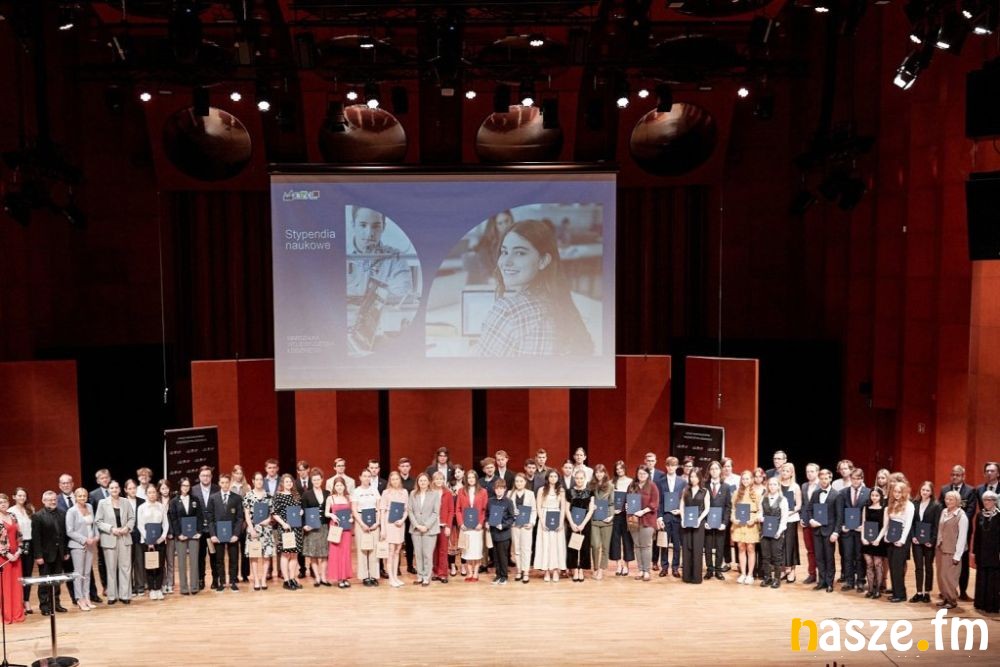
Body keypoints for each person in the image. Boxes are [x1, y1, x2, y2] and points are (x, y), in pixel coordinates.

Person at [477, 219, 593, 357]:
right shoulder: (560, 302)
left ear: (543, 261)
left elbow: (479, 367)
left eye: (520, 253)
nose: (506, 262)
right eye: (504, 252)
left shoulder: (508, 310)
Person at [938, 464, 977, 601]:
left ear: (963, 476)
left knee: (962, 563)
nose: (955, 477)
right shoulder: (944, 489)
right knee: (946, 566)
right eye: (953, 474)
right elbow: (941, 509)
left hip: (962, 532)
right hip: (947, 533)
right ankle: (948, 591)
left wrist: (957, 522)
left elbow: (971, 510)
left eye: (958, 475)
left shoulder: (970, 491)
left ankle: (963, 591)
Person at [95, 481, 134, 605]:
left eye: (116, 487)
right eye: (112, 488)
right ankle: (112, 596)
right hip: (109, 538)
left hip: (124, 537)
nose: (114, 489)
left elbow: (132, 518)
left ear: (120, 489)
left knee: (125, 568)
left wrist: (127, 528)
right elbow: (98, 521)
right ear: (108, 490)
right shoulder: (102, 503)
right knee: (111, 568)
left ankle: (125, 595)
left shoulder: (125, 502)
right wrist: (111, 529)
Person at [803, 468, 840, 593]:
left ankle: (829, 583)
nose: (824, 481)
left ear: (830, 478)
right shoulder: (816, 493)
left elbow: (839, 516)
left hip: (829, 531)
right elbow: (809, 509)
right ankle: (821, 581)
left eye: (826, 478)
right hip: (817, 531)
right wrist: (811, 520)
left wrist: (836, 532)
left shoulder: (836, 494)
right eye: (822, 478)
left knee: (829, 558)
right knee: (819, 557)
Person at [208, 473, 245, 592]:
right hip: (218, 535)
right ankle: (222, 582)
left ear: (230, 483)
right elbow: (210, 518)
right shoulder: (213, 498)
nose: (224, 485)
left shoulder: (237, 498)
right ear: (219, 483)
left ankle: (233, 581)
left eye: (227, 482)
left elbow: (240, 518)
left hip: (232, 534)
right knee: (219, 559)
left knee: (234, 558)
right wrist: (213, 534)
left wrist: (236, 534)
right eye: (222, 482)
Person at [167, 476, 202, 596]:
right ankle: (184, 588)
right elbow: (173, 519)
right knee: (181, 562)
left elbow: (199, 516)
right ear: (180, 486)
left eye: (187, 485)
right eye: (183, 485)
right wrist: (178, 534)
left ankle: (194, 586)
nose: (185, 487)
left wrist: (199, 532)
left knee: (194, 561)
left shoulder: (195, 500)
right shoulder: (174, 501)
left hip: (194, 535)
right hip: (180, 536)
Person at [64, 487, 97, 611]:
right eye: (80, 496)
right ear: (75, 497)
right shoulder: (71, 511)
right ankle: (79, 598)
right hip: (78, 545)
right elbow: (69, 531)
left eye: (84, 495)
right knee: (79, 573)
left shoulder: (90, 507)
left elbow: (94, 525)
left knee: (87, 573)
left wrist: (96, 536)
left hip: (91, 545)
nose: (82, 498)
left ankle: (87, 597)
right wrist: (84, 540)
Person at [936, 489, 969, 610]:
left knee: (950, 577)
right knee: (941, 576)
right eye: (947, 499)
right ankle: (945, 597)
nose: (948, 501)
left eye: (951, 499)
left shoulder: (962, 516)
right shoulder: (944, 512)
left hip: (952, 551)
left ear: (957, 501)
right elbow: (940, 529)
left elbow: (962, 537)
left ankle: (952, 600)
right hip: (941, 549)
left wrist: (957, 555)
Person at [835, 466, 868, 591]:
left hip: (860, 530)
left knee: (859, 556)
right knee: (847, 556)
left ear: (862, 479)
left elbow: (869, 513)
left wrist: (864, 526)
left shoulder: (868, 492)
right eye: (853, 478)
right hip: (847, 530)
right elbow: (840, 512)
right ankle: (849, 581)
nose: (855, 481)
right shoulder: (843, 492)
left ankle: (860, 581)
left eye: (858, 478)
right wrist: (842, 525)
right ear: (850, 479)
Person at [405, 472, 440, 587]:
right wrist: (416, 525)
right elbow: (410, 511)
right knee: (418, 554)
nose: (423, 482)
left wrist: (426, 526)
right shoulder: (413, 493)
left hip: (429, 530)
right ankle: (420, 576)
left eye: (425, 480)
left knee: (427, 555)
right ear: (418, 482)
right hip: (416, 529)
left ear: (429, 482)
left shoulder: (435, 494)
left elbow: (435, 512)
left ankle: (426, 577)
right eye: (420, 480)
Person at [242, 472, 274, 591]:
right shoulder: (248, 496)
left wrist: (268, 520)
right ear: (253, 481)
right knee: (254, 555)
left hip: (266, 530)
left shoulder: (268, 496)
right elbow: (246, 514)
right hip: (253, 529)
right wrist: (251, 528)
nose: (259, 481)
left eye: (261, 479)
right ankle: (256, 579)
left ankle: (263, 579)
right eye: (257, 479)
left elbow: (272, 513)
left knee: (266, 555)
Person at [909, 480, 941, 603]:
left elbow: (936, 525)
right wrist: (913, 536)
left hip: (928, 542)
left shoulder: (936, 505)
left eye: (927, 490)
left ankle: (927, 592)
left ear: (931, 492)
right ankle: (919, 592)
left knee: (928, 566)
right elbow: (911, 523)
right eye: (923, 489)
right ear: (920, 490)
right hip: (916, 540)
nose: (925, 492)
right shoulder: (914, 503)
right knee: (918, 567)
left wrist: (932, 540)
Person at [628, 465, 660, 582]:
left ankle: (647, 571)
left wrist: (642, 512)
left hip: (648, 519)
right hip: (633, 520)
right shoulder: (632, 485)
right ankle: (640, 570)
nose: (641, 476)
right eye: (640, 473)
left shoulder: (652, 486)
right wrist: (627, 506)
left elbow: (655, 503)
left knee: (646, 546)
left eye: (644, 474)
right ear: (637, 474)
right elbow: (628, 500)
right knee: (637, 546)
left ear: (648, 475)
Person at [137, 485, 169, 601]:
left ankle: (158, 588)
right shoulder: (141, 507)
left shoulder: (161, 506)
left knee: (160, 564)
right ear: (146, 494)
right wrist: (148, 539)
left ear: (157, 493)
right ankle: (151, 589)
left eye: (154, 492)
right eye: (149, 492)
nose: (152, 494)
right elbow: (140, 525)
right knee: (150, 565)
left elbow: (165, 523)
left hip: (160, 540)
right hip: (146, 541)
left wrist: (163, 536)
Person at [534, 469, 566, 582]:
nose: (553, 478)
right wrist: (542, 521)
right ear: (547, 478)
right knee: (545, 544)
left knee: (556, 545)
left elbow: (563, 508)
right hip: (544, 516)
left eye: (555, 476)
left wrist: (561, 522)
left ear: (558, 478)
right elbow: (538, 506)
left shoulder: (561, 490)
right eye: (551, 476)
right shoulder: (541, 490)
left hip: (556, 516)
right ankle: (547, 570)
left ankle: (556, 570)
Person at [271, 474, 303, 591]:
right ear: (282, 483)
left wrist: (301, 512)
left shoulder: (296, 495)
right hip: (285, 529)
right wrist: (283, 523)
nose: (289, 483)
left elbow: (299, 509)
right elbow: (274, 513)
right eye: (287, 482)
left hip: (296, 528)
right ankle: (286, 580)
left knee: (294, 554)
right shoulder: (278, 496)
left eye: (290, 482)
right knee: (285, 554)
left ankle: (292, 578)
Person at [885, 480, 915, 603]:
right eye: (895, 491)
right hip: (891, 536)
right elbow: (889, 523)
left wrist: (902, 540)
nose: (896, 494)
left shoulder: (909, 505)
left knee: (898, 566)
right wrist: (887, 536)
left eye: (899, 492)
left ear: (904, 492)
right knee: (892, 565)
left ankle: (901, 594)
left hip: (902, 538)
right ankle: (895, 591)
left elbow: (908, 525)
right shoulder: (892, 503)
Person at [300, 468, 331, 587]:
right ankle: (317, 577)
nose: (317, 481)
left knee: (324, 554)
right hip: (311, 528)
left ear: (322, 480)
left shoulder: (327, 493)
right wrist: (304, 525)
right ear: (311, 481)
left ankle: (323, 577)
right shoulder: (306, 494)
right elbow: (303, 511)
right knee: (313, 554)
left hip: (324, 526)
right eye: (314, 480)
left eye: (318, 479)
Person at [456, 469, 488, 582]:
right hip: (465, 526)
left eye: (473, 477)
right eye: (469, 477)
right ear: (466, 479)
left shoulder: (483, 491)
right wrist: (461, 523)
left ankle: (476, 573)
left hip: (477, 527)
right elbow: (458, 509)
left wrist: (481, 523)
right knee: (467, 551)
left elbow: (484, 510)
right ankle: (469, 572)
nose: (471, 479)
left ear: (476, 478)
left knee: (477, 550)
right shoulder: (461, 491)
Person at [656, 456, 685, 577]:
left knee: (677, 544)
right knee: (664, 543)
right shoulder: (660, 482)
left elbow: (684, 500)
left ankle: (675, 568)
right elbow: (659, 501)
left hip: (677, 517)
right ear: (666, 466)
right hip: (665, 516)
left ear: (677, 466)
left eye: (673, 465)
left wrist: (681, 511)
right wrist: (659, 517)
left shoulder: (682, 482)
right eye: (668, 465)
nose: (671, 467)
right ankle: (664, 567)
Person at [351, 469, 381, 587]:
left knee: (373, 549)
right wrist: (362, 524)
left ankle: (373, 575)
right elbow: (354, 509)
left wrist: (377, 522)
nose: (367, 478)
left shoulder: (374, 490)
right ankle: (364, 576)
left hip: (374, 522)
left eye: (369, 476)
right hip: (361, 522)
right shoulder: (356, 491)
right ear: (360, 477)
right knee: (362, 549)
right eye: (364, 476)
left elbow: (379, 507)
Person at [730, 471, 761, 585]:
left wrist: (755, 519)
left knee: (751, 548)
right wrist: (733, 518)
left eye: (747, 479)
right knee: (741, 547)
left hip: (751, 523)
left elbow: (760, 510)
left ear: (752, 480)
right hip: (739, 523)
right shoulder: (736, 493)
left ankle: (750, 574)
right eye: (743, 479)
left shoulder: (757, 493)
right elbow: (733, 509)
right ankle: (743, 573)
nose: (745, 481)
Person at [680, 468, 709, 584]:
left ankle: (696, 577)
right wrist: (683, 519)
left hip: (698, 523)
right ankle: (687, 576)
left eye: (695, 476)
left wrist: (699, 519)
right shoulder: (686, 490)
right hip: (687, 522)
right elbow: (682, 505)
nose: (693, 479)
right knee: (687, 548)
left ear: (699, 478)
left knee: (697, 549)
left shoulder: (704, 491)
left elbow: (707, 508)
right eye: (691, 476)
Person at [469, 209, 515, 284]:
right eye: (500, 223)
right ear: (494, 226)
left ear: (511, 220)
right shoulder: (485, 246)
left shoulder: (518, 240)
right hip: (494, 284)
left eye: (507, 221)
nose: (505, 226)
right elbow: (486, 274)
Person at [759, 477, 789, 588]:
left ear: (778, 486)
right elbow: (760, 512)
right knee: (765, 556)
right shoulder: (763, 498)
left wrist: (779, 531)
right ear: (767, 486)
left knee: (777, 556)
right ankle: (767, 577)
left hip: (777, 532)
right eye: (770, 484)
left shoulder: (783, 500)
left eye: (774, 484)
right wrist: (760, 517)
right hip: (765, 532)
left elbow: (784, 518)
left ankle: (777, 579)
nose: (772, 486)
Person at [380, 471, 409, 588]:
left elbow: (406, 509)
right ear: (390, 481)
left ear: (399, 480)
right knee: (390, 550)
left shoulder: (404, 492)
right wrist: (383, 528)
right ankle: (391, 577)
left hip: (400, 524)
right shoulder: (386, 493)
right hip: (389, 523)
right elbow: (382, 511)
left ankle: (396, 576)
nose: (395, 481)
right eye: (393, 479)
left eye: (397, 479)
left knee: (398, 550)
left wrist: (402, 520)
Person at [704, 460, 731, 581]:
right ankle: (709, 570)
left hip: (721, 523)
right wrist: (704, 521)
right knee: (708, 547)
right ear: (709, 471)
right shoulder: (704, 486)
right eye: (712, 469)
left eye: (716, 469)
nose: (714, 471)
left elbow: (728, 506)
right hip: (708, 522)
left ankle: (718, 570)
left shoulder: (726, 487)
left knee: (720, 547)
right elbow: (701, 505)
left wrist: (724, 523)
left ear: (720, 471)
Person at [972, 490, 999, 613]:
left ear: (994, 501)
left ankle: (991, 605)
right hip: (982, 552)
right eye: (984, 500)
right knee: (981, 577)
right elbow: (977, 535)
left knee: (993, 578)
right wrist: (974, 552)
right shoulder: (980, 515)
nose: (986, 502)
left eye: (989, 500)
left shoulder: (999, 516)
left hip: (994, 553)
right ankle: (980, 603)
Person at [325, 476, 354, 588]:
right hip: (335, 527)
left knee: (346, 553)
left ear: (344, 486)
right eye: (337, 485)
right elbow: (326, 513)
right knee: (336, 552)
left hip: (346, 528)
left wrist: (351, 518)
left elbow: (351, 513)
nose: (339, 487)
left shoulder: (348, 498)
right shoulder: (330, 498)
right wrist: (332, 515)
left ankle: (345, 577)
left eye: (341, 485)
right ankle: (339, 578)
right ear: (334, 487)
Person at [566, 469, 595, 582]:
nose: (579, 480)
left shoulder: (590, 492)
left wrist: (583, 524)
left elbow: (591, 509)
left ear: (585, 479)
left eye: (581, 478)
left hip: (585, 523)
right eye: (577, 478)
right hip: (573, 523)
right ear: (574, 479)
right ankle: (574, 570)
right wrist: (572, 523)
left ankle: (581, 569)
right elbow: (567, 509)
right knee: (573, 546)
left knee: (584, 547)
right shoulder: (570, 491)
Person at [0, 494, 25, 623]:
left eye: (5, 501)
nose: (3, 504)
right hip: (4, 558)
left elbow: (19, 535)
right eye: (0, 502)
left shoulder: (13, 516)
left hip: (16, 555)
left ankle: (17, 614)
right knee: (6, 586)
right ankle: (7, 615)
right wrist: (7, 554)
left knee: (16, 585)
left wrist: (19, 550)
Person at [194, 466, 219, 591]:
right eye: (203, 475)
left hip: (212, 530)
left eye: (208, 475)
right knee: (200, 556)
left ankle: (215, 579)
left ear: (211, 476)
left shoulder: (217, 489)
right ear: (199, 477)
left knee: (214, 556)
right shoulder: (193, 490)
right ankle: (201, 580)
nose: (205, 478)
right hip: (199, 530)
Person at [9, 488, 34, 614]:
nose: (22, 498)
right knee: (19, 574)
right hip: (18, 545)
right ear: (14, 497)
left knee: (28, 574)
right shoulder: (10, 511)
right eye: (19, 495)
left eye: (24, 495)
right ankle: (18, 602)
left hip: (30, 544)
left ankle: (27, 601)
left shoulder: (30, 509)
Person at [486, 478, 515, 585]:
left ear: (505, 489)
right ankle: (498, 575)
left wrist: (502, 525)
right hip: (493, 533)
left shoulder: (508, 502)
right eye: (497, 488)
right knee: (496, 556)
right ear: (494, 489)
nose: (499, 490)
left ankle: (504, 576)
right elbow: (487, 515)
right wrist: (487, 522)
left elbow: (511, 518)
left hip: (503, 533)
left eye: (501, 488)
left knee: (503, 556)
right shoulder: (490, 501)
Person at [861, 486, 888, 599]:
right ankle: (870, 589)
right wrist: (863, 538)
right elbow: (863, 523)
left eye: (877, 495)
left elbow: (885, 526)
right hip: (867, 540)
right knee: (869, 564)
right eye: (872, 495)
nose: (874, 497)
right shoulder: (866, 508)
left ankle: (878, 590)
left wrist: (878, 539)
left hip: (878, 541)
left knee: (878, 564)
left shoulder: (884, 509)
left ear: (880, 496)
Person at [509, 472, 537, 583]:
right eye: (517, 481)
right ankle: (519, 570)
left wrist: (531, 522)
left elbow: (534, 510)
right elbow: (507, 510)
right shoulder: (510, 493)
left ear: (525, 482)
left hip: (526, 525)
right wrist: (513, 513)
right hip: (515, 525)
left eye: (521, 481)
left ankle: (526, 572)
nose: (519, 483)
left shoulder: (530, 494)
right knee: (516, 549)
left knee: (526, 549)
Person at [778, 462, 803, 583]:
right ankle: (783, 569)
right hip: (778, 519)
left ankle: (792, 570)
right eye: (783, 470)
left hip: (790, 519)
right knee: (780, 544)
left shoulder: (795, 486)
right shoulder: (777, 484)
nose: (784, 473)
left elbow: (798, 505)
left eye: (787, 471)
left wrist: (788, 513)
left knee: (790, 544)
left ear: (791, 473)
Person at [589, 464, 614, 581]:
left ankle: (601, 569)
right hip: (594, 518)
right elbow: (587, 500)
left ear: (604, 473)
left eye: (601, 472)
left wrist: (611, 516)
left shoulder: (610, 486)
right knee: (595, 544)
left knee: (605, 546)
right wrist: (591, 506)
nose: (599, 474)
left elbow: (612, 503)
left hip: (606, 519)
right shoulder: (590, 485)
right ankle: (595, 567)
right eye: (597, 472)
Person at [610, 460, 634, 576]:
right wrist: (613, 509)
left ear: (625, 469)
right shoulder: (611, 482)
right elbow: (609, 499)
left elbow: (634, 498)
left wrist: (629, 507)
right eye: (617, 469)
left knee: (627, 539)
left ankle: (626, 565)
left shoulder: (631, 481)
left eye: (621, 468)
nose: (619, 471)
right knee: (615, 540)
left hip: (626, 514)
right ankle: (618, 565)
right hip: (615, 515)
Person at [430, 471, 455, 583]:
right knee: (433, 550)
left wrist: (448, 526)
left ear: (443, 480)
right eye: (437, 479)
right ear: (433, 480)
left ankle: (443, 574)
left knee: (443, 550)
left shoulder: (448, 493)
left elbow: (451, 511)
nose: (439, 481)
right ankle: (435, 572)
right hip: (432, 525)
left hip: (444, 525)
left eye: (441, 479)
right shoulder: (430, 492)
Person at [123, 479, 146, 597]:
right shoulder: (122, 502)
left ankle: (140, 586)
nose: (132, 490)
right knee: (127, 563)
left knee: (139, 562)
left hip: (139, 536)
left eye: (134, 488)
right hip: (126, 536)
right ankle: (129, 587)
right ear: (125, 490)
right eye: (130, 488)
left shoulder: (142, 502)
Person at [800, 462, 820, 584]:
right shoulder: (804, 486)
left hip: (819, 521)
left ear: (817, 472)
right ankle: (812, 574)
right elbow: (804, 504)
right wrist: (802, 518)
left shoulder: (821, 484)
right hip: (807, 522)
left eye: (812, 471)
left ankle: (822, 574)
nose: (809, 473)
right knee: (810, 549)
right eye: (808, 471)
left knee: (820, 550)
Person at [156, 480, 174, 593]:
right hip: (160, 536)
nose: (165, 490)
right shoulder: (156, 501)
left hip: (171, 535)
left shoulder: (174, 500)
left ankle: (170, 584)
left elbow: (174, 519)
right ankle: (163, 583)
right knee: (161, 561)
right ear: (159, 490)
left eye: (166, 488)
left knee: (170, 561)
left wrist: (171, 532)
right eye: (162, 488)